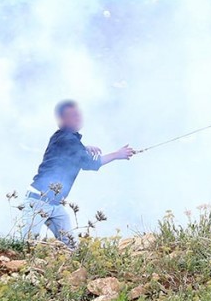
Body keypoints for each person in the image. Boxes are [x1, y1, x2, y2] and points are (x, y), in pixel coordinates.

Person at [20, 100, 135, 247]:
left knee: (73, 245)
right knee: (25, 245)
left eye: (78, 114)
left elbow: (68, 151)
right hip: (38, 201)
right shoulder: (68, 139)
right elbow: (90, 164)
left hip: (54, 204)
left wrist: (84, 147)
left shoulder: (63, 137)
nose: (78, 118)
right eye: (73, 115)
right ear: (62, 120)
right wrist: (117, 154)